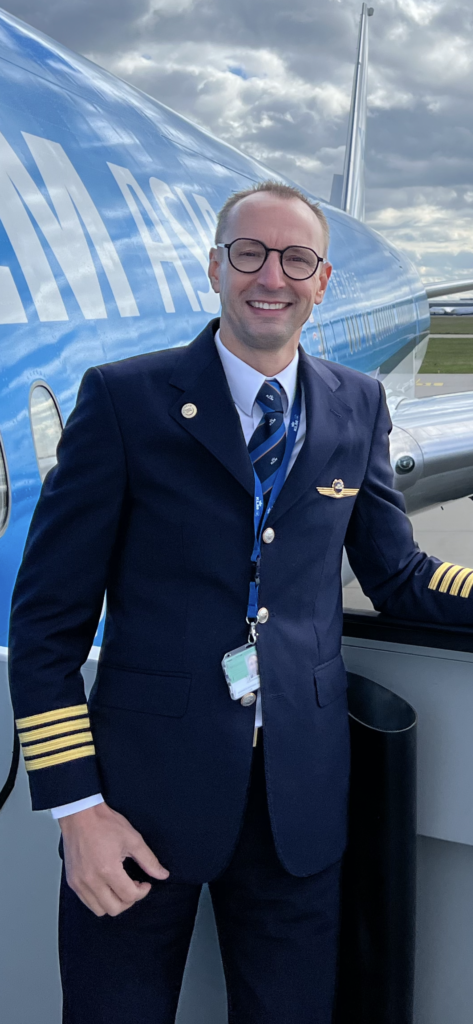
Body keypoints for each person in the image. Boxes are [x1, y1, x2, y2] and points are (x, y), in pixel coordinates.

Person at [8, 180, 473, 1024]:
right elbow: (45, 624)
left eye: (295, 259)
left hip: (299, 799)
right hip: (136, 803)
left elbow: (398, 573)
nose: (271, 277)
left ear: (321, 280)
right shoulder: (123, 400)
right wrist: (78, 810)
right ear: (214, 268)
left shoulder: (354, 404)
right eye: (249, 254)